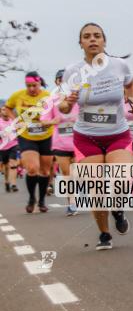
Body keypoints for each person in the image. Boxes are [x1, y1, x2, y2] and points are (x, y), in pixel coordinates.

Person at [59, 23, 133, 250]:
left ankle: (118, 209)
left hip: (117, 135)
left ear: (104, 40)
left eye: (97, 36)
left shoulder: (119, 65)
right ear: (81, 43)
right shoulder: (72, 71)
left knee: (122, 179)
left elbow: (131, 85)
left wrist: (132, 99)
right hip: (86, 138)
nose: (92, 39)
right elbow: (63, 108)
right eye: (87, 36)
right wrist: (68, 102)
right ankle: (104, 233)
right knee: (96, 190)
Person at [6, 71, 54, 213]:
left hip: (46, 136)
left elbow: (56, 113)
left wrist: (48, 121)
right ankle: (32, 198)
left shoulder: (47, 96)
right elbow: (8, 108)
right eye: (28, 86)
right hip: (27, 136)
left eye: (34, 85)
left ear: (39, 83)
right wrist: (15, 121)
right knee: (32, 168)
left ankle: (42, 200)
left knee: (45, 171)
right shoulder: (18, 95)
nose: (31, 88)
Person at [46, 70, 79, 215]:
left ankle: (80, 191)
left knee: (78, 172)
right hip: (60, 142)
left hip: (79, 141)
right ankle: (72, 203)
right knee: (66, 173)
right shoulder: (51, 100)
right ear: (56, 82)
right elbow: (44, 120)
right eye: (60, 80)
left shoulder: (78, 97)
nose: (63, 82)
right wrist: (52, 121)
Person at [0, 105, 19, 193]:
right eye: (3, 110)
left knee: (13, 164)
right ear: (0, 112)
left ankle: (13, 184)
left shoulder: (13, 122)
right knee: (6, 166)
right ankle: (7, 181)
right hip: (3, 147)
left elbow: (18, 132)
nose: (5, 111)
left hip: (13, 145)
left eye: (7, 110)